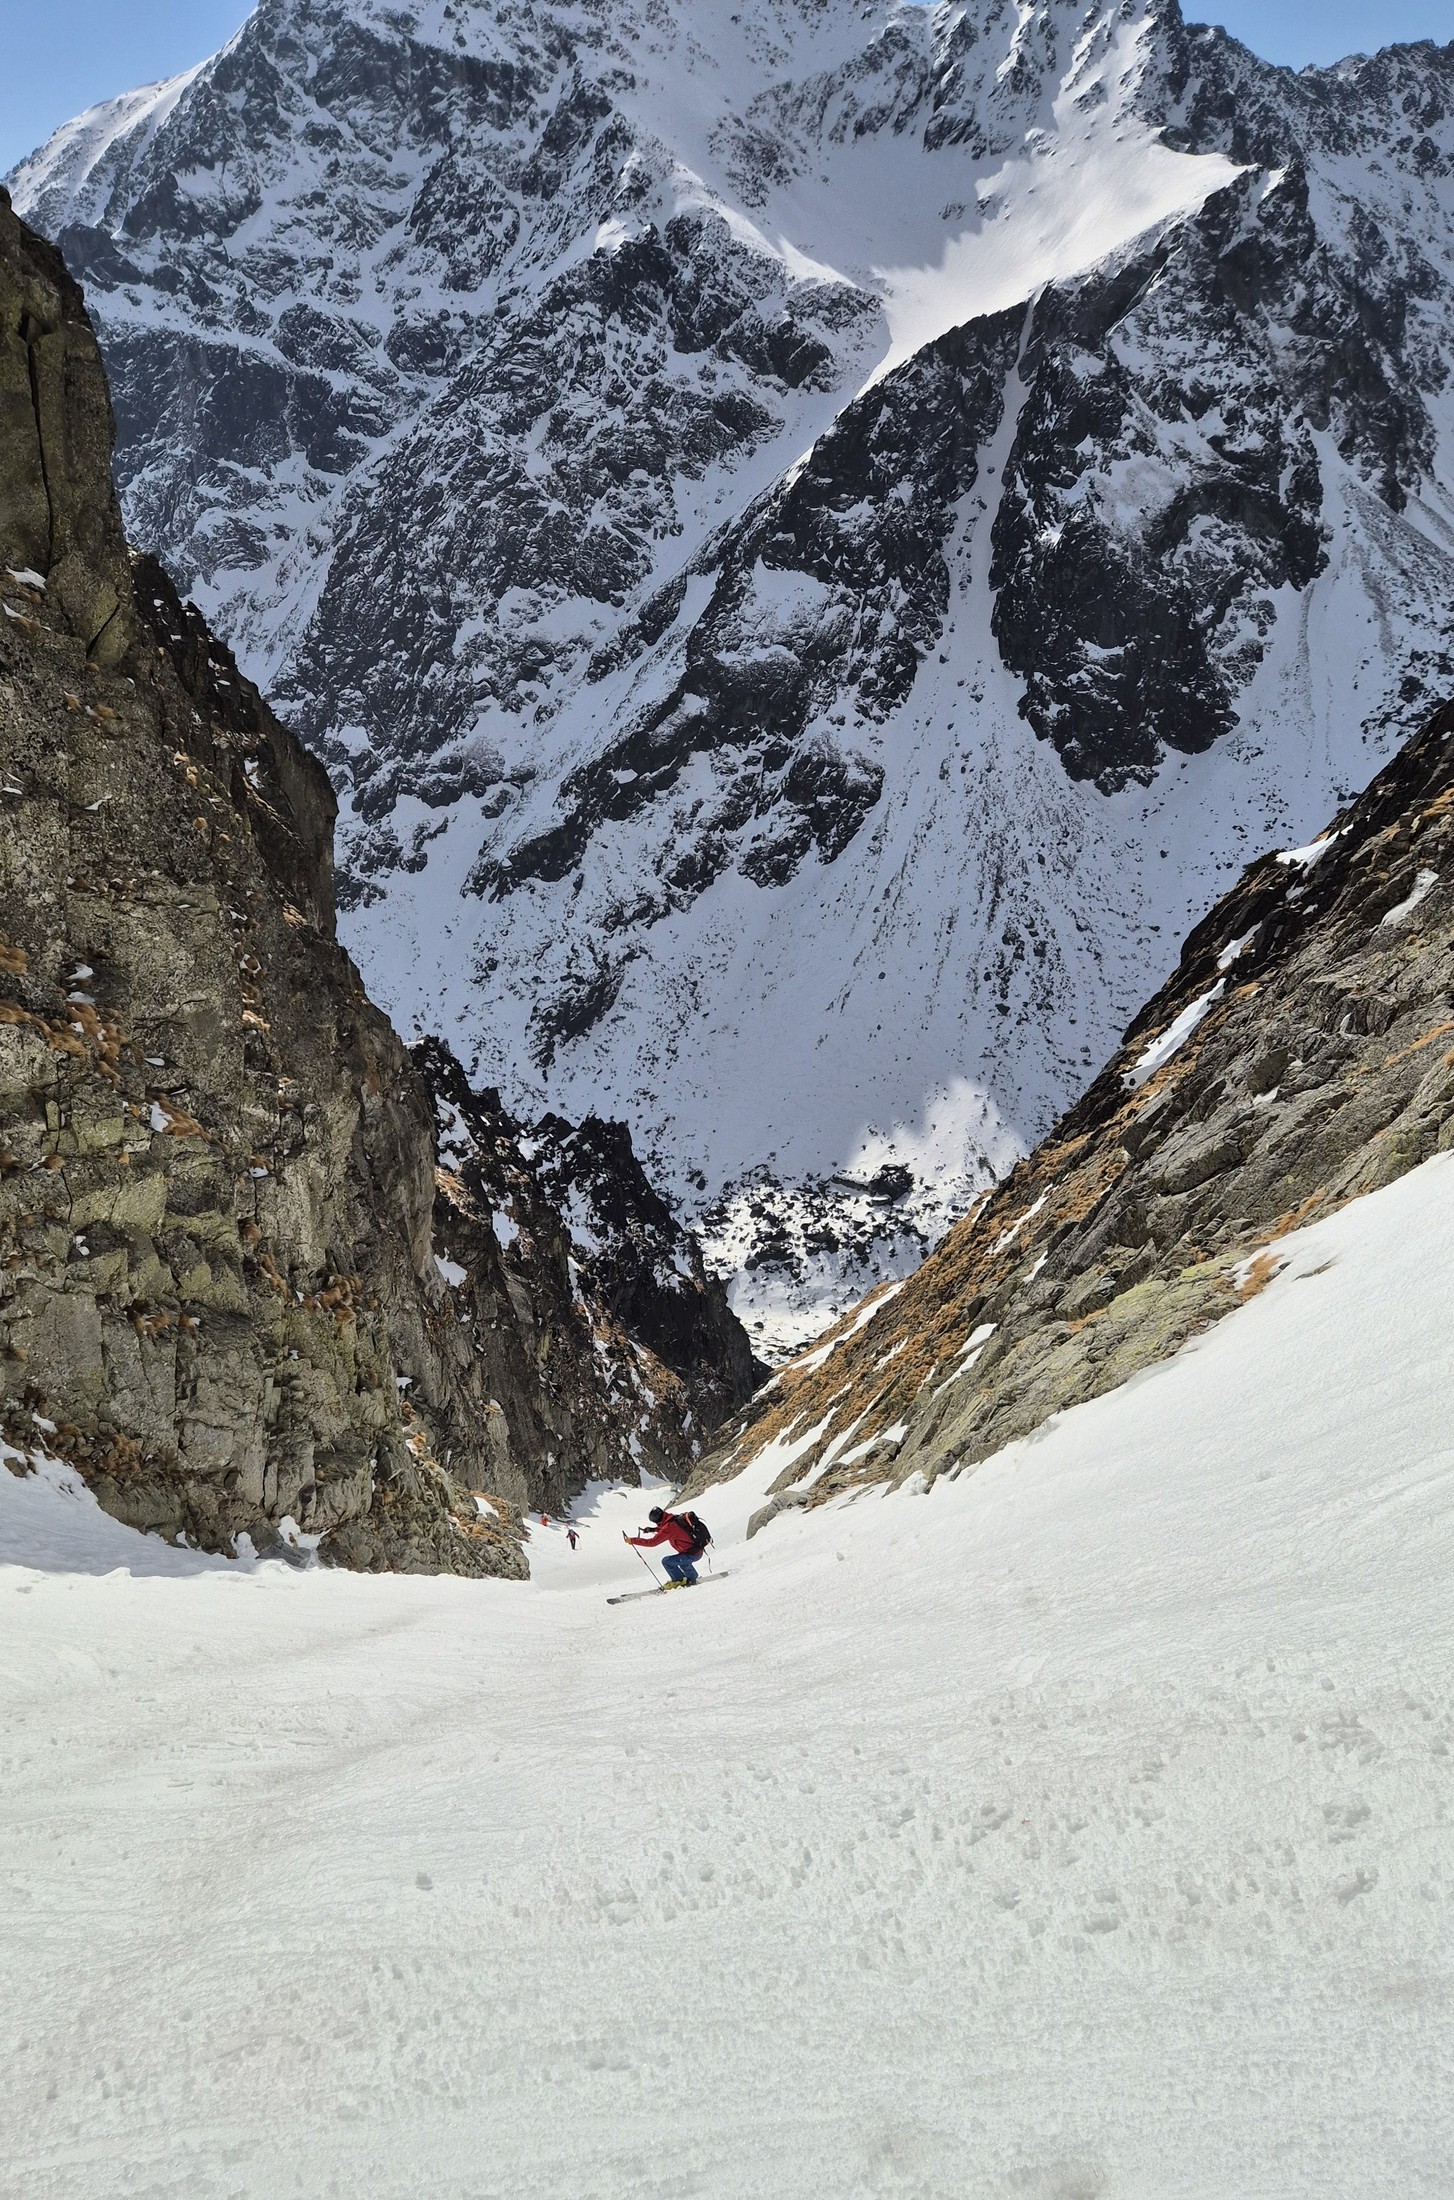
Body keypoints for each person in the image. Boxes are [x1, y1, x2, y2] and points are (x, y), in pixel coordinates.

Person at [625, 1506, 707, 1587]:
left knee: (667, 1561)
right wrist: (653, 1529)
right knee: (682, 1562)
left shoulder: (669, 1528)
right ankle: (692, 1578)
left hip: (692, 1553)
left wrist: (632, 1540)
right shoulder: (673, 1519)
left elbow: (652, 1542)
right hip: (695, 1550)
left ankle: (679, 1580)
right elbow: (665, 1527)